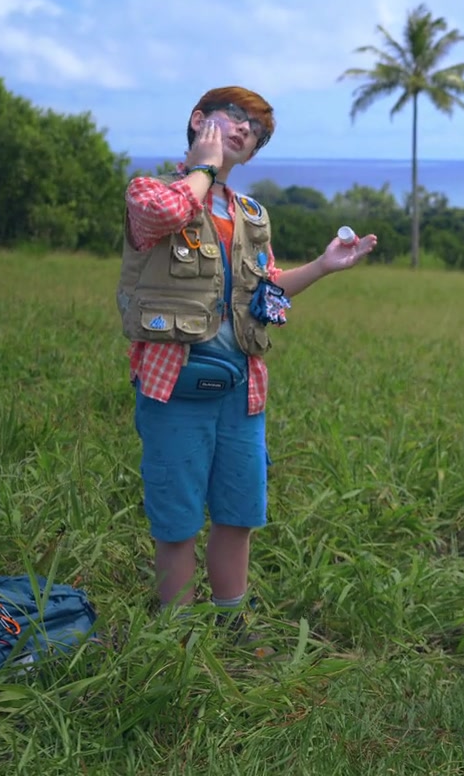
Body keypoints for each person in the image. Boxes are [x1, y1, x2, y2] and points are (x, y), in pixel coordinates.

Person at [118, 87, 376, 633]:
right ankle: (176, 636)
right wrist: (203, 168)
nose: (243, 131)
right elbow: (165, 213)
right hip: (174, 388)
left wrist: (324, 266)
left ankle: (232, 627)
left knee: (239, 515)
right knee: (178, 521)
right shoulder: (151, 192)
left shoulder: (252, 215)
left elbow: (267, 291)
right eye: (234, 118)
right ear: (197, 119)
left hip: (243, 390)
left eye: (254, 132)